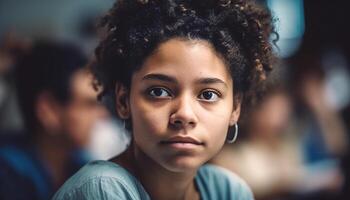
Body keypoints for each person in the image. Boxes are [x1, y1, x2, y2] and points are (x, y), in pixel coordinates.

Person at [53, 0, 277, 199]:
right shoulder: (102, 189)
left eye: (208, 94)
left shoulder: (228, 191)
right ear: (123, 101)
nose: (184, 115)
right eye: (159, 92)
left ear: (234, 108)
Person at [0, 40, 109, 200]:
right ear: (48, 110)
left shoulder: (83, 165)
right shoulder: (7, 177)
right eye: (89, 105)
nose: (103, 114)